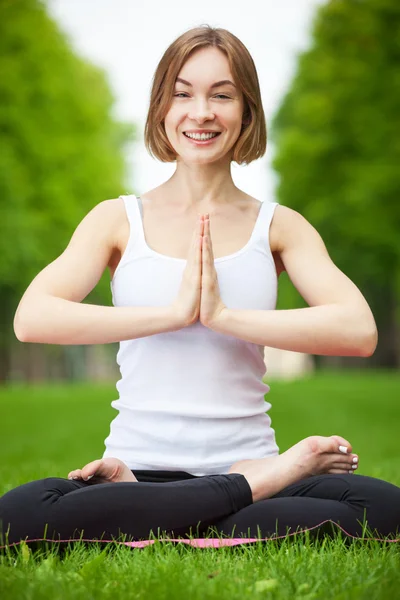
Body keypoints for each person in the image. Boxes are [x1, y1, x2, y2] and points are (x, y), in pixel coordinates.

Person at [1, 25, 399, 548]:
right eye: (183, 93)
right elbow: (32, 318)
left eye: (222, 95)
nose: (201, 112)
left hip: (243, 459)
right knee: (18, 514)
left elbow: (358, 330)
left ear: (246, 112)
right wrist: (174, 313)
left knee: (386, 508)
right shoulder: (117, 219)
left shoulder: (279, 225)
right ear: (161, 108)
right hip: (138, 468)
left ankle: (175, 513)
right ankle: (251, 489)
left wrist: (224, 317)